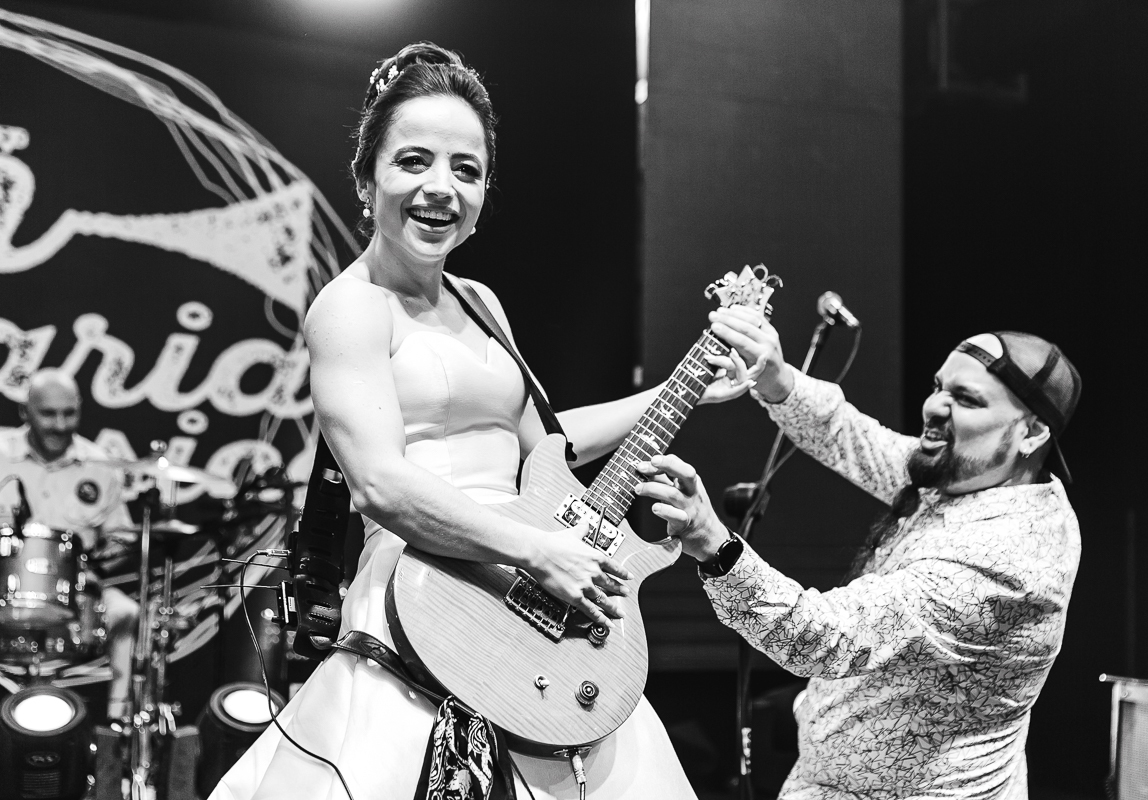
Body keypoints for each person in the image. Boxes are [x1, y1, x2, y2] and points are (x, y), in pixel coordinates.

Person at [212, 42, 750, 800]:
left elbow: (548, 449)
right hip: (422, 599)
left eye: (466, 170)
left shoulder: (481, 303)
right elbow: (379, 483)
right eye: (414, 162)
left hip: (535, 599)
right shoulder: (349, 306)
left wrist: (681, 391)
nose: (441, 188)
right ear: (366, 181)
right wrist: (537, 551)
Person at [636, 310, 1082, 800]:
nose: (934, 406)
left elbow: (820, 636)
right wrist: (777, 377)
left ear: (1032, 434)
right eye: (939, 386)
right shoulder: (974, 474)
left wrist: (712, 543)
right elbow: (854, 441)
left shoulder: (1007, 562)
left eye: (967, 400)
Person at [0, 368, 140, 721]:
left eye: (69, 413)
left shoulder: (99, 465)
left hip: (77, 592)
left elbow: (122, 537)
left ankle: (115, 727)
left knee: (126, 612)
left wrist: (94, 566)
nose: (60, 424)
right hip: (5, 586)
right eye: (48, 413)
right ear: (24, 412)